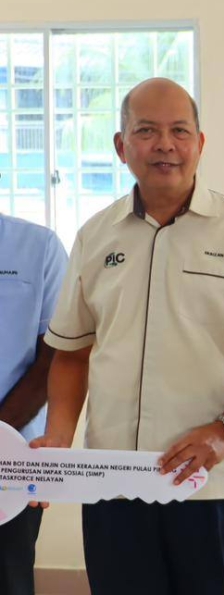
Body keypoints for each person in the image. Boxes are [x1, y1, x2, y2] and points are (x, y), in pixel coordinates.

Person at [34, 78, 224, 595]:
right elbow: (70, 353)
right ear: (121, 145)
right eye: (146, 131)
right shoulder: (95, 235)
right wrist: (60, 435)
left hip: (214, 485)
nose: (164, 145)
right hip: (114, 484)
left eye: (179, 131)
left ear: (200, 143)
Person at [0, 205, 67, 595]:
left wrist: (0, 435)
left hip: (10, 460)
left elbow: (55, 358)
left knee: (8, 577)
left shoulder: (38, 247)